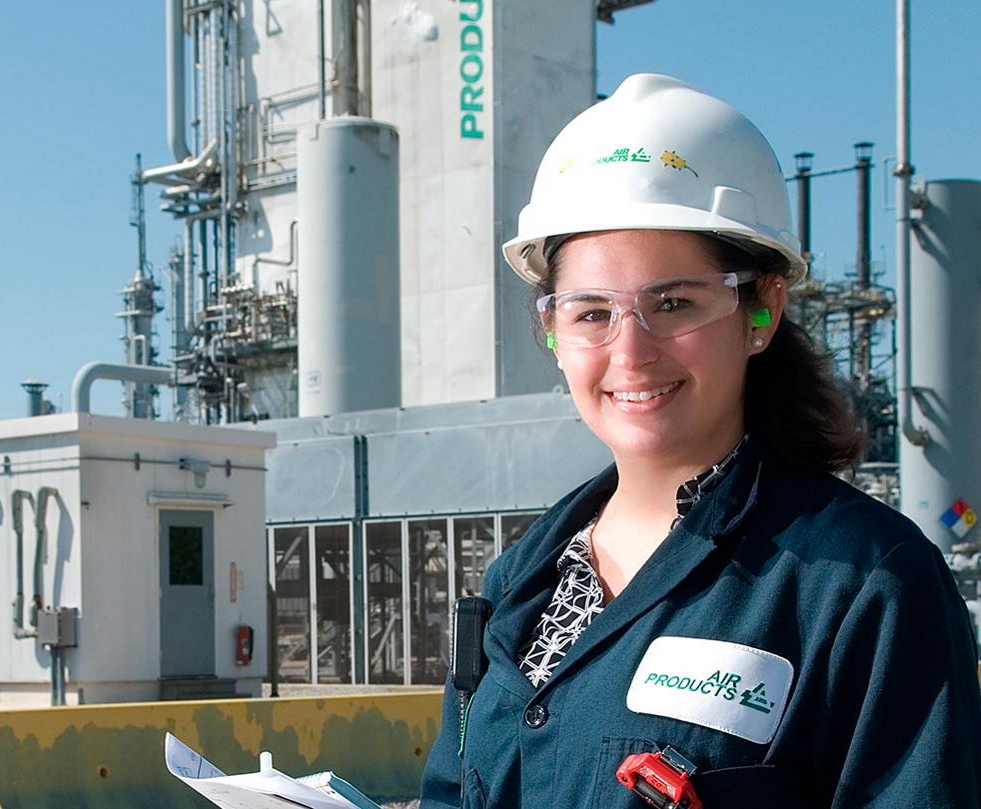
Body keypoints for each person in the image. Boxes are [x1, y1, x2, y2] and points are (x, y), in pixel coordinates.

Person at [419, 73, 981, 808]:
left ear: (760, 311)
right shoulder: (520, 583)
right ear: (551, 331)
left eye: (673, 302)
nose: (630, 351)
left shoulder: (862, 583)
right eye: (591, 313)